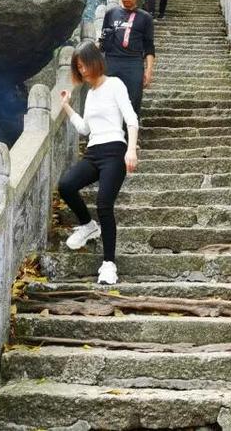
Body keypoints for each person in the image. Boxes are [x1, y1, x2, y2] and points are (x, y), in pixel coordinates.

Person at [58, 40, 139, 285]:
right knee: (66, 185)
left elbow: (131, 118)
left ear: (95, 61)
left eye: (84, 65)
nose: (81, 71)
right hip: (93, 152)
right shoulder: (90, 95)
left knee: (104, 203)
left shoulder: (115, 84)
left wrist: (131, 149)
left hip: (115, 151)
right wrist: (66, 107)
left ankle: (109, 264)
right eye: (78, 67)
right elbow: (84, 129)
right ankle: (88, 225)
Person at [101, 0, 155, 117]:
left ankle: (130, 137)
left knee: (132, 103)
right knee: (109, 103)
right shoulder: (110, 14)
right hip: (111, 62)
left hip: (133, 64)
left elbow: (149, 47)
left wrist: (148, 70)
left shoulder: (145, 18)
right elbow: (102, 41)